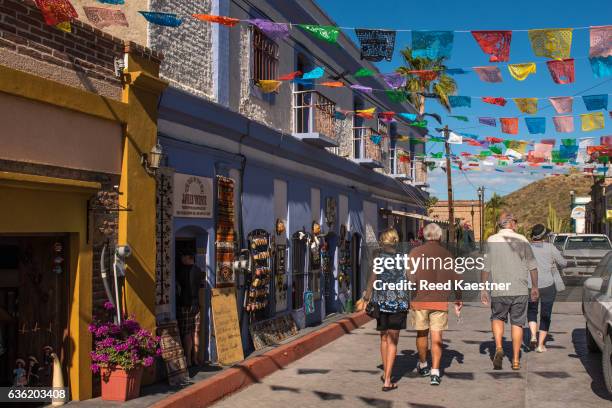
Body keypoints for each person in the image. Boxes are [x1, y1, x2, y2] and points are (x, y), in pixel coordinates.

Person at [481, 212, 539, 370]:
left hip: (500, 289)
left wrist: (484, 288)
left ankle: (499, 347)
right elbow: (532, 266)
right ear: (511, 223)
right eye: (516, 221)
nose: (517, 224)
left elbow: (486, 267)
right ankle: (515, 360)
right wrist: (534, 287)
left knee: (497, 318)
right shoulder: (523, 240)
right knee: (518, 324)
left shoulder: (491, 240)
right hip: (519, 289)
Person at [409, 223, 463, 386]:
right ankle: (435, 372)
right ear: (439, 236)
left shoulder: (415, 253)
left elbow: (410, 279)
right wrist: (458, 298)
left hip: (420, 300)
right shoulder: (447, 254)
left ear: (424, 236)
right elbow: (456, 279)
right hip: (440, 300)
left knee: (421, 334)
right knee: (437, 336)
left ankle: (424, 364)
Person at [359, 228, 410, 391]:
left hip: (381, 303)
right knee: (393, 341)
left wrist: (366, 298)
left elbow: (372, 280)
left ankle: (386, 374)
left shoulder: (379, 259)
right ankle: (388, 379)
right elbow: (411, 279)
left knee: (383, 338)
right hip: (398, 303)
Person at [528, 224, 567, 353]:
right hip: (548, 286)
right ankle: (540, 345)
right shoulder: (550, 248)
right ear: (544, 236)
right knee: (546, 315)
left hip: (530, 285)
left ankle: (533, 335)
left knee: (532, 311)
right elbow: (563, 263)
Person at [176, 251, 203, 367]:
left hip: (186, 305)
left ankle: (188, 359)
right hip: (196, 305)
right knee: (195, 332)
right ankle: (195, 358)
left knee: (187, 333)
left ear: (189, 257)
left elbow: (179, 285)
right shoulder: (199, 271)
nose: (182, 258)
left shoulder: (182, 271)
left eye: (183, 256)